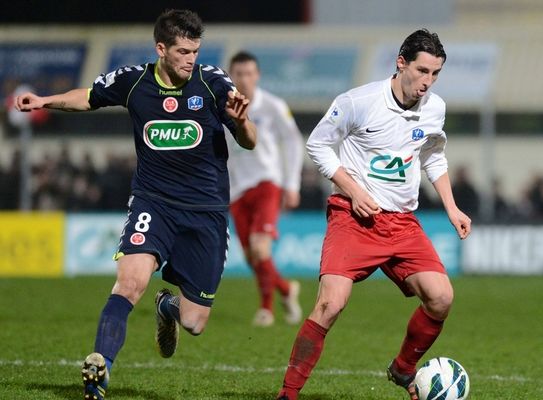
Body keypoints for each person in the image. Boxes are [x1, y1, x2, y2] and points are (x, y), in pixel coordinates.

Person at [15, 9, 256, 400]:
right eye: (182, 51)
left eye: (195, 51)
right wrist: (44, 100)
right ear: (161, 49)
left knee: (195, 322)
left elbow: (250, 141)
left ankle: (168, 308)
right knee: (129, 283)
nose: (191, 59)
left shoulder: (213, 84)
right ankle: (100, 367)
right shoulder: (134, 81)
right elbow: (89, 97)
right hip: (153, 202)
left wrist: (242, 122)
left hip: (205, 212)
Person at [275, 29, 471, 400]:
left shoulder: (435, 108)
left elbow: (433, 154)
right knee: (331, 304)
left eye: (435, 74)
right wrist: (354, 190)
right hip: (353, 217)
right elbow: (318, 145)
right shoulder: (359, 101)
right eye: (422, 71)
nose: (427, 82)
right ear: (401, 63)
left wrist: (451, 206)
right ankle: (288, 395)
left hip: (401, 223)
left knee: (441, 298)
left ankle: (403, 368)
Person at [226, 51, 304, 327]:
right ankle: (285, 289)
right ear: (231, 75)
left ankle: (266, 309)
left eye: (249, 73)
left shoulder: (272, 106)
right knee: (251, 257)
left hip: (267, 182)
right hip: (236, 190)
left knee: (261, 249)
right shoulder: (222, 106)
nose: (244, 79)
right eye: (239, 74)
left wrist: (292, 185)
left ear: (257, 75)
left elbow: (293, 142)